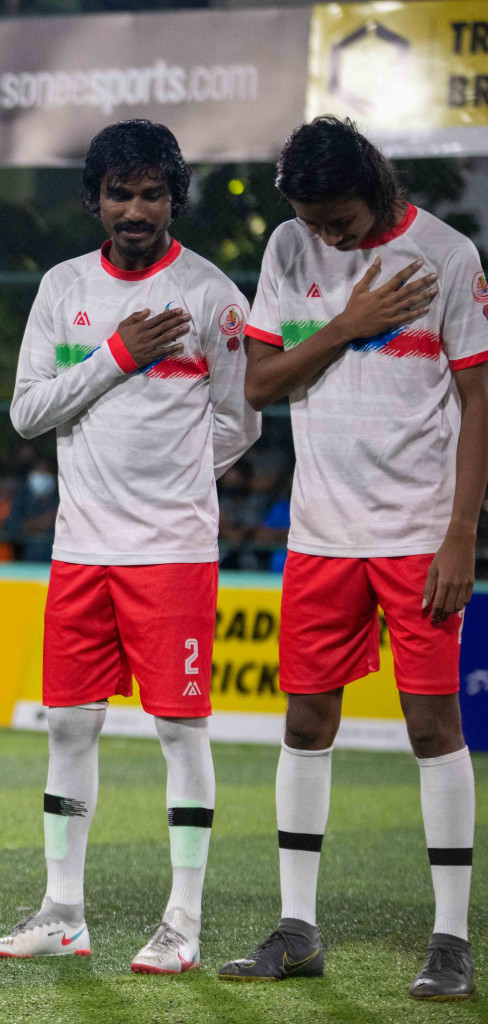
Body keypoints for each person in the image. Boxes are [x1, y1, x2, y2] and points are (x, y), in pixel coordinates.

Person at [218, 116, 487, 1002]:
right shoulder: (291, 250)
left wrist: (460, 535)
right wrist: (349, 321)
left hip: (416, 536)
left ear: (374, 185)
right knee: (305, 726)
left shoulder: (448, 256)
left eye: (338, 218)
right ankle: (298, 929)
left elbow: (478, 401)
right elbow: (258, 385)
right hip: (321, 534)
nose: (327, 235)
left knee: (431, 729)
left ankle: (451, 936)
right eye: (313, 218)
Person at [0, 120, 260, 972]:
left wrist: (171, 481)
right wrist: (115, 354)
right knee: (69, 724)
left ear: (174, 198)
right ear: (96, 199)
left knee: (181, 731)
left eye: (150, 193)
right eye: (118, 193)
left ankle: (183, 921)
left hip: (172, 552)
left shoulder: (212, 297)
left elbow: (240, 424)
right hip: (80, 550)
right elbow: (27, 413)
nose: (134, 209)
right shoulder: (64, 287)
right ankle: (64, 912)